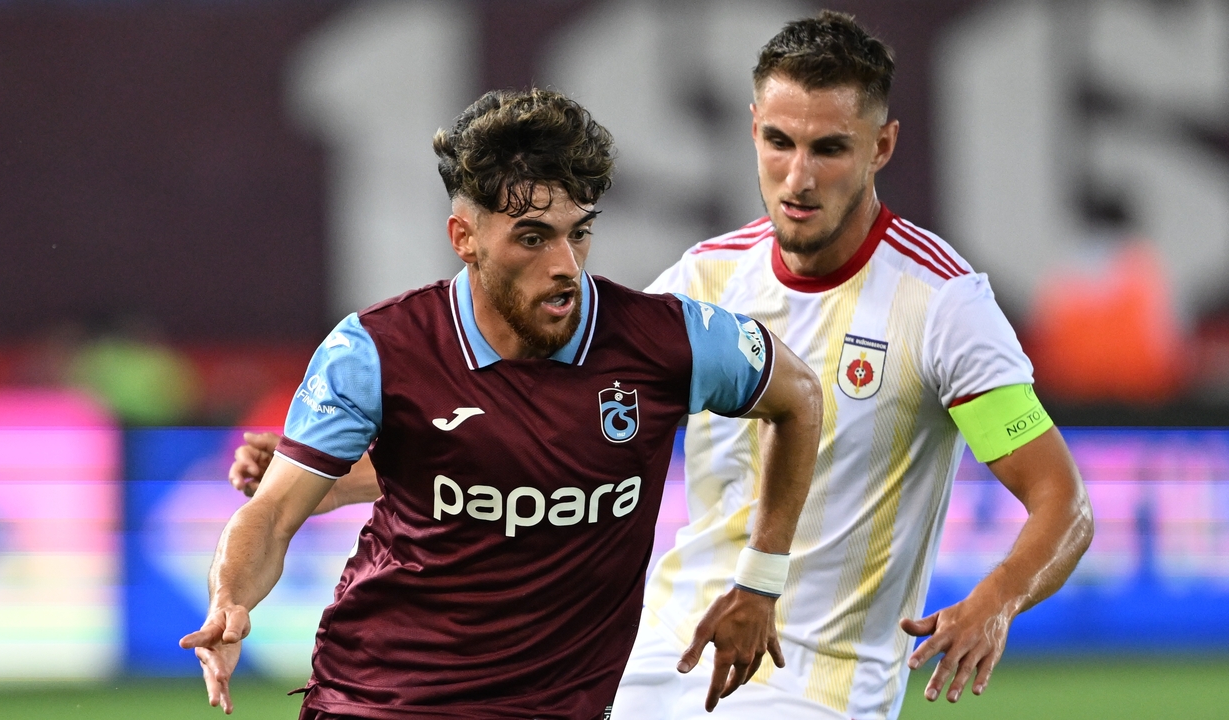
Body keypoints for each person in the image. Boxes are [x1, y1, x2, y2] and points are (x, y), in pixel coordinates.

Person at [231, 12, 1095, 719]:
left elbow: (1063, 502)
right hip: (660, 655)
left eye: (830, 148)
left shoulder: (942, 305)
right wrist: (324, 479)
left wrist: (994, 601)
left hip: (818, 681)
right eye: (779, 142)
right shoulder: (705, 281)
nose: (798, 176)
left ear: (883, 147)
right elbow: (541, 437)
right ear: (751, 130)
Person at [192, 87, 825, 719]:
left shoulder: (665, 342)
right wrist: (229, 601)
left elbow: (799, 397)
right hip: (380, 700)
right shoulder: (375, 351)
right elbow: (272, 513)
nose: (565, 264)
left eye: (579, 233)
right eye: (533, 238)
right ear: (464, 237)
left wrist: (761, 580)